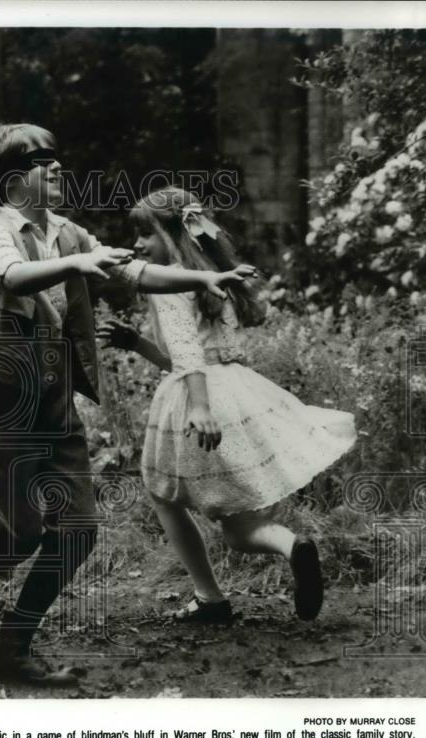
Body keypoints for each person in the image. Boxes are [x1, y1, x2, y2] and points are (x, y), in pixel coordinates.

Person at [0, 124, 256, 686]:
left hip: (54, 400)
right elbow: (14, 276)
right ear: (7, 179)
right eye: (38, 159)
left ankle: (12, 651)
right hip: (2, 400)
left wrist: (206, 273)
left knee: (76, 530)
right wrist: (77, 265)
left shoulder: (69, 232)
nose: (55, 166)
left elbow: (133, 271)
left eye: (57, 156)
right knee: (20, 534)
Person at [98, 187, 356, 624]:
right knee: (239, 527)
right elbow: (188, 354)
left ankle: (210, 597)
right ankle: (293, 546)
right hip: (236, 391)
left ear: (174, 235)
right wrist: (137, 342)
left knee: (163, 493)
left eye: (146, 234)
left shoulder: (169, 286)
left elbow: (188, 356)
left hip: (198, 398)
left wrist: (199, 407)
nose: (139, 244)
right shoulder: (218, 279)